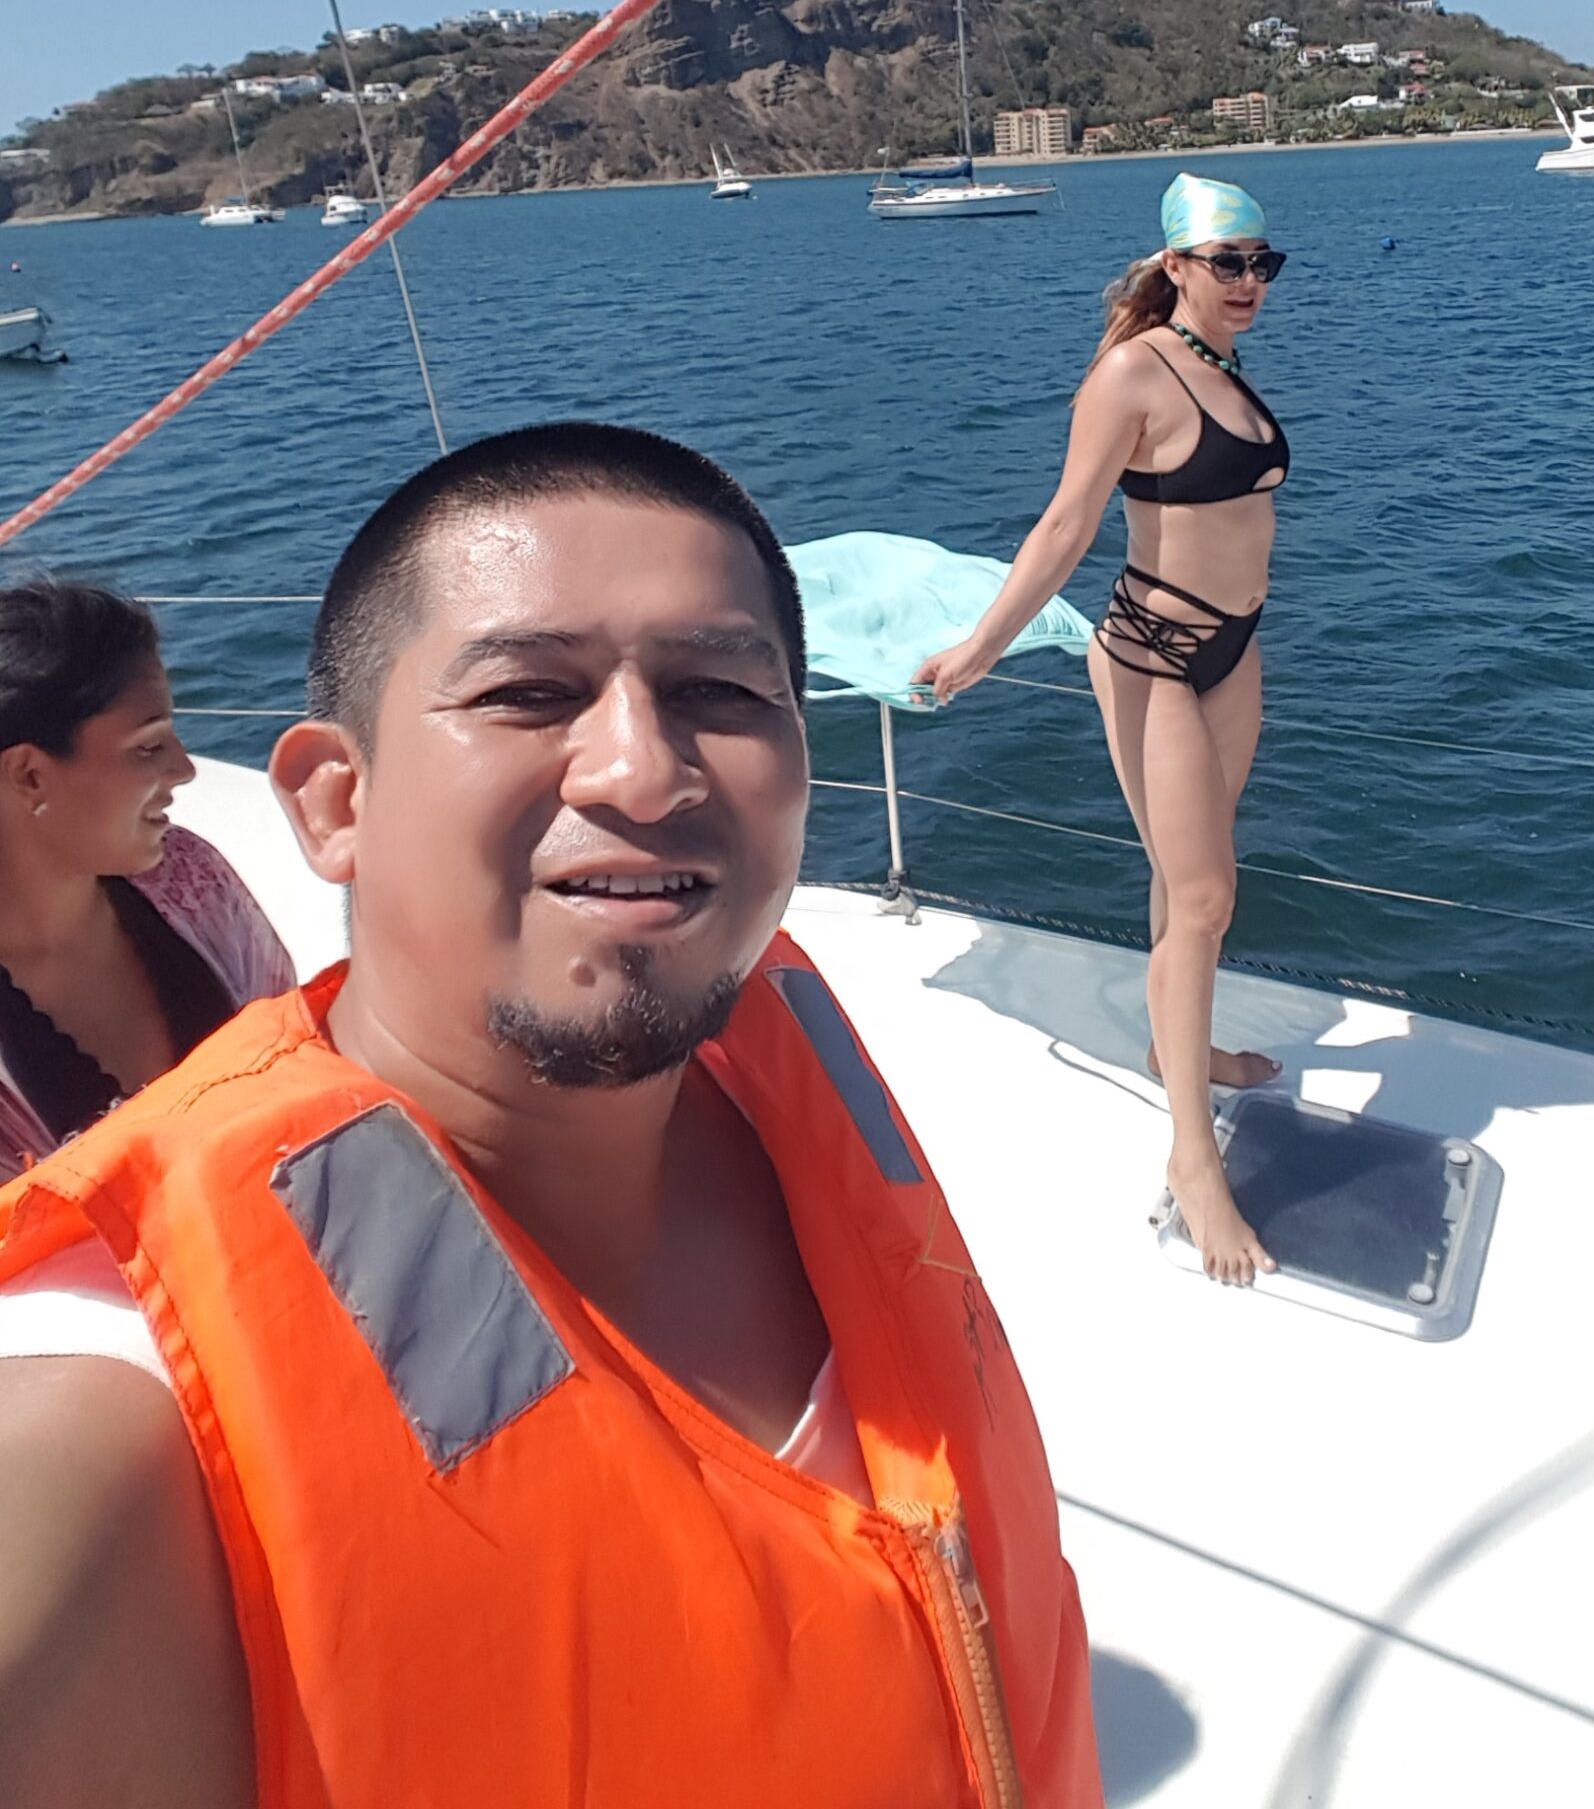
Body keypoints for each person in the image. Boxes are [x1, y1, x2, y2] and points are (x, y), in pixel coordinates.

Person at [0, 423, 1099, 1809]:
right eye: (527, 693)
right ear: (336, 803)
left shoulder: (778, 1050)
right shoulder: (117, 1418)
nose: (641, 770)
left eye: (720, 689)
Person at [915, 171, 1291, 1287]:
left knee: (1190, 888)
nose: (1250, 283)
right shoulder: (1130, 373)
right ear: (1176, 264)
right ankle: (1191, 1157)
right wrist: (984, 647)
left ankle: (1183, 1047)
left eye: (1263, 263)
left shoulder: (1221, 366)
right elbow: (1067, 521)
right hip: (1151, 660)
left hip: (1233, 652)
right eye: (1229, 262)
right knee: (1207, 894)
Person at [0, 579, 293, 1182]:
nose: (183, 769)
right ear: (29, 776)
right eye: (147, 747)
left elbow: (298, 1057)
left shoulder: (189, 878)